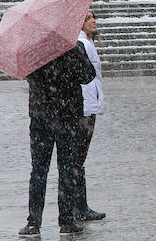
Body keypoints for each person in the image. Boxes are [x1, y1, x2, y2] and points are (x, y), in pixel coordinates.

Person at [19, 32, 96, 238]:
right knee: (67, 170)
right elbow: (88, 76)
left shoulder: (31, 50)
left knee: (38, 172)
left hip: (41, 118)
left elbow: (28, 76)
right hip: (68, 118)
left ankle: (34, 223)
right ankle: (67, 221)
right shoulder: (72, 46)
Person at [75, 9, 106, 222]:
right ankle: (79, 207)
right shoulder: (82, 44)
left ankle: (79, 205)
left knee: (79, 157)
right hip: (85, 106)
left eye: (93, 16)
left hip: (88, 104)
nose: (93, 20)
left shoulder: (87, 42)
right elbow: (88, 77)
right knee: (78, 157)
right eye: (87, 18)